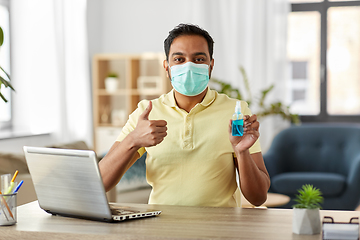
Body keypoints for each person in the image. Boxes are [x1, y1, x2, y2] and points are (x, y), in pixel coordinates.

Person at [99, 23, 270, 207]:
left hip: (219, 230)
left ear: (211, 66)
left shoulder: (236, 112)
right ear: (167, 67)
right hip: (161, 228)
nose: (188, 66)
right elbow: (101, 182)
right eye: (179, 59)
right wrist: (133, 139)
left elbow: (258, 198)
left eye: (198, 59)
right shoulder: (146, 113)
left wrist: (241, 151)